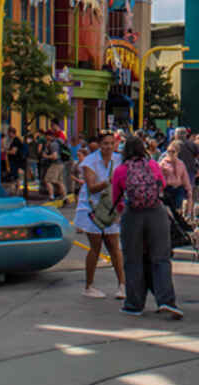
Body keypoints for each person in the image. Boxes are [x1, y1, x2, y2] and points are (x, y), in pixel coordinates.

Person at [112, 134, 182, 318]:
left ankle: (134, 304)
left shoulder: (121, 170)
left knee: (133, 260)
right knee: (161, 258)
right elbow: (162, 185)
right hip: (156, 213)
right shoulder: (152, 165)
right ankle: (166, 300)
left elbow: (116, 199)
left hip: (133, 216)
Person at [77, 132, 125, 300]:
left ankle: (122, 285)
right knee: (95, 246)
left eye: (112, 143)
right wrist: (108, 181)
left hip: (111, 207)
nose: (109, 147)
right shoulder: (90, 161)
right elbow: (91, 187)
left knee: (114, 245)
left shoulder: (119, 159)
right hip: (91, 207)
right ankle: (89, 286)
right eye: (105, 143)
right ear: (99, 144)